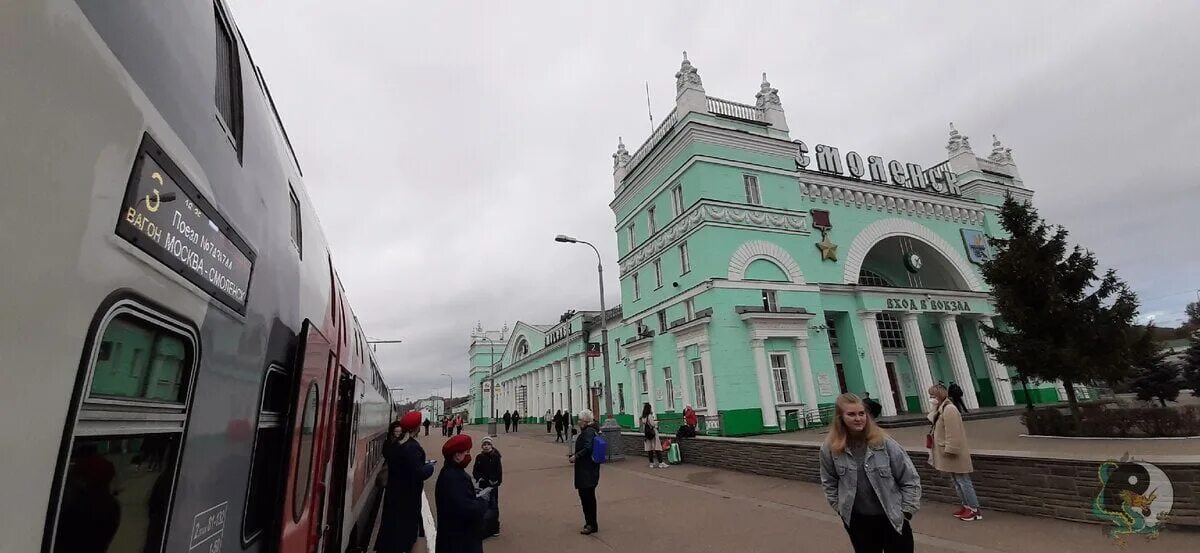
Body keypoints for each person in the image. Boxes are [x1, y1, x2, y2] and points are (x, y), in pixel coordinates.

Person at [819, 393, 921, 553]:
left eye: (861, 413)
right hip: (858, 521)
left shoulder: (884, 443)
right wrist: (840, 508)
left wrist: (906, 511)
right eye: (851, 414)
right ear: (840, 418)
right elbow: (829, 481)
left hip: (892, 517)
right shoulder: (831, 448)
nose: (858, 418)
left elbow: (909, 478)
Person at [378, 412, 436, 553]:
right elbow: (418, 473)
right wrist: (430, 467)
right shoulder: (412, 447)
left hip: (396, 493)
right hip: (407, 496)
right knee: (405, 532)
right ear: (417, 428)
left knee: (394, 528)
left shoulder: (399, 445)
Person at [927, 384, 981, 521]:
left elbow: (953, 432)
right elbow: (931, 419)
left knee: (964, 481)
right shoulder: (941, 409)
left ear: (939, 395)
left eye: (933, 396)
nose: (931, 398)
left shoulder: (950, 409)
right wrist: (934, 408)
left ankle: (974, 510)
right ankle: (966, 506)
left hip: (953, 453)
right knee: (957, 481)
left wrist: (950, 449)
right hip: (946, 452)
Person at [435, 434, 491, 553]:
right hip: (460, 541)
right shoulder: (455, 478)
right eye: (467, 451)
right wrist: (483, 501)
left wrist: (472, 493)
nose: (468, 455)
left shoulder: (448, 471)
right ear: (457, 455)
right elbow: (467, 509)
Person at [569, 409, 601, 534]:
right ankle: (591, 523)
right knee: (588, 498)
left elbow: (588, 448)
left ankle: (591, 524)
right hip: (588, 470)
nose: (578, 422)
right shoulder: (590, 431)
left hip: (587, 471)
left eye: (580, 420)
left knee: (587, 498)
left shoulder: (588, 432)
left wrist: (576, 456)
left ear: (585, 421)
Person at [472, 436, 503, 538]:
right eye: (484, 445)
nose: (486, 446)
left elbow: (499, 471)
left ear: (491, 445)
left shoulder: (496, 456)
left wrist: (496, 481)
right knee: (483, 505)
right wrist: (479, 478)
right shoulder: (479, 457)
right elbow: (475, 470)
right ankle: (484, 526)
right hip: (483, 486)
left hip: (492, 485)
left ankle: (495, 527)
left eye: (488, 444)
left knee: (493, 506)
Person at [640, 403, 667, 468]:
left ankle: (651, 463)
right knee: (657, 448)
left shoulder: (643, 417)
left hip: (647, 435)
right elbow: (652, 424)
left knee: (650, 449)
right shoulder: (649, 416)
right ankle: (661, 463)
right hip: (653, 434)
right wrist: (656, 422)